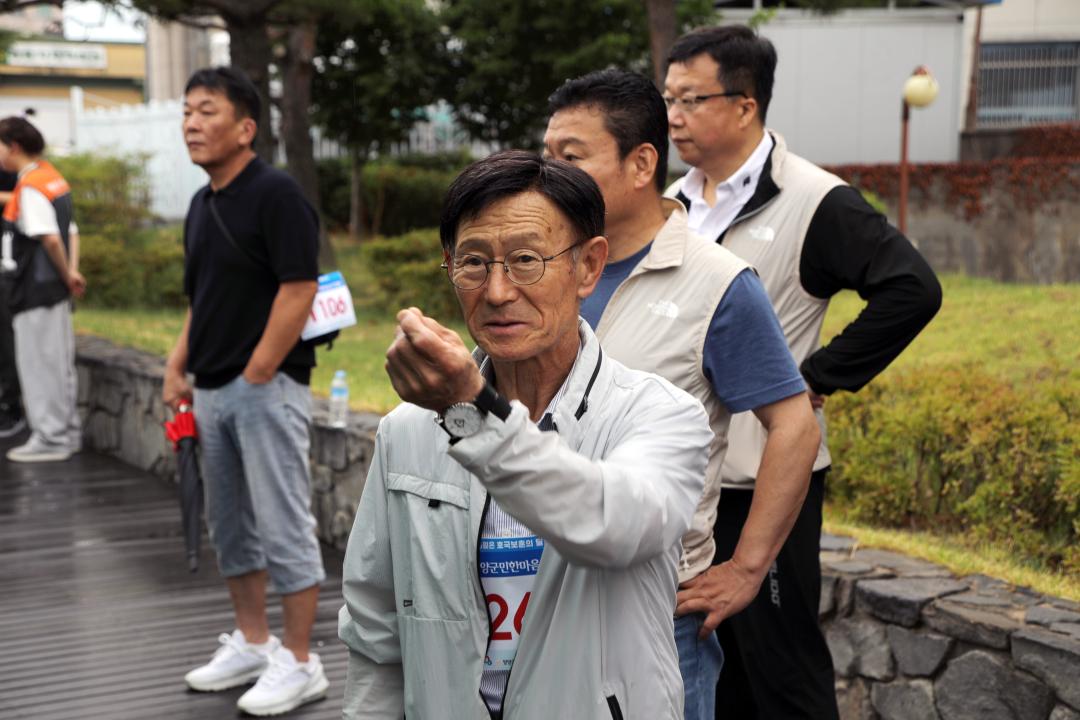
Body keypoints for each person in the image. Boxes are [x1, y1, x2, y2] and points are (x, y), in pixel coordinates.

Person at [338, 150, 713, 720]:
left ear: (588, 266)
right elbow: (375, 629)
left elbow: (616, 524)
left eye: (525, 260)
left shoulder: (660, 416)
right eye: (473, 263)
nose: (496, 291)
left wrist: (470, 414)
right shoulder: (408, 431)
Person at [663, 25, 943, 719]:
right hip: (679, 475)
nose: (672, 116)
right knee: (706, 659)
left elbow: (912, 288)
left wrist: (815, 375)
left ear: (745, 105)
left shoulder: (815, 200)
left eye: (690, 99)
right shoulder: (674, 203)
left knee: (781, 667)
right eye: (667, 98)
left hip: (765, 478)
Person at [542, 68, 820, 720]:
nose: (548, 173)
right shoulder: (543, 266)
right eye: (546, 155)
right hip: (537, 601)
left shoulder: (716, 282)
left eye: (571, 158)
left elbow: (794, 424)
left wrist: (748, 568)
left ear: (641, 163)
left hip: (656, 614)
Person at [161, 67, 327, 717]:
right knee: (230, 525)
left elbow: (299, 287)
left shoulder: (276, 194)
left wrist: (259, 369)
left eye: (206, 112)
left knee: (284, 524)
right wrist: (178, 364)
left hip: (267, 388)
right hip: (210, 389)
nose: (191, 124)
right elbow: (199, 300)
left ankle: (301, 660)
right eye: (186, 113)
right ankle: (255, 645)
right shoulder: (202, 205)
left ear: (246, 127)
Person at [0, 117, 84, 462]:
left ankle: (50, 438)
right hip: (51, 290)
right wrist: (72, 271)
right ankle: (67, 432)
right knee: (59, 365)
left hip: (34, 290)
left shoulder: (31, 186)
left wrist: (66, 274)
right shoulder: (50, 177)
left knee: (39, 365)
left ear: (13, 146)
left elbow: (49, 238)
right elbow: (71, 230)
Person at [0, 166, 26, 439]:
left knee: (6, 341)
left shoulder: (10, 169)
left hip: (8, 268)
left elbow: (23, 196)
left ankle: (12, 409)